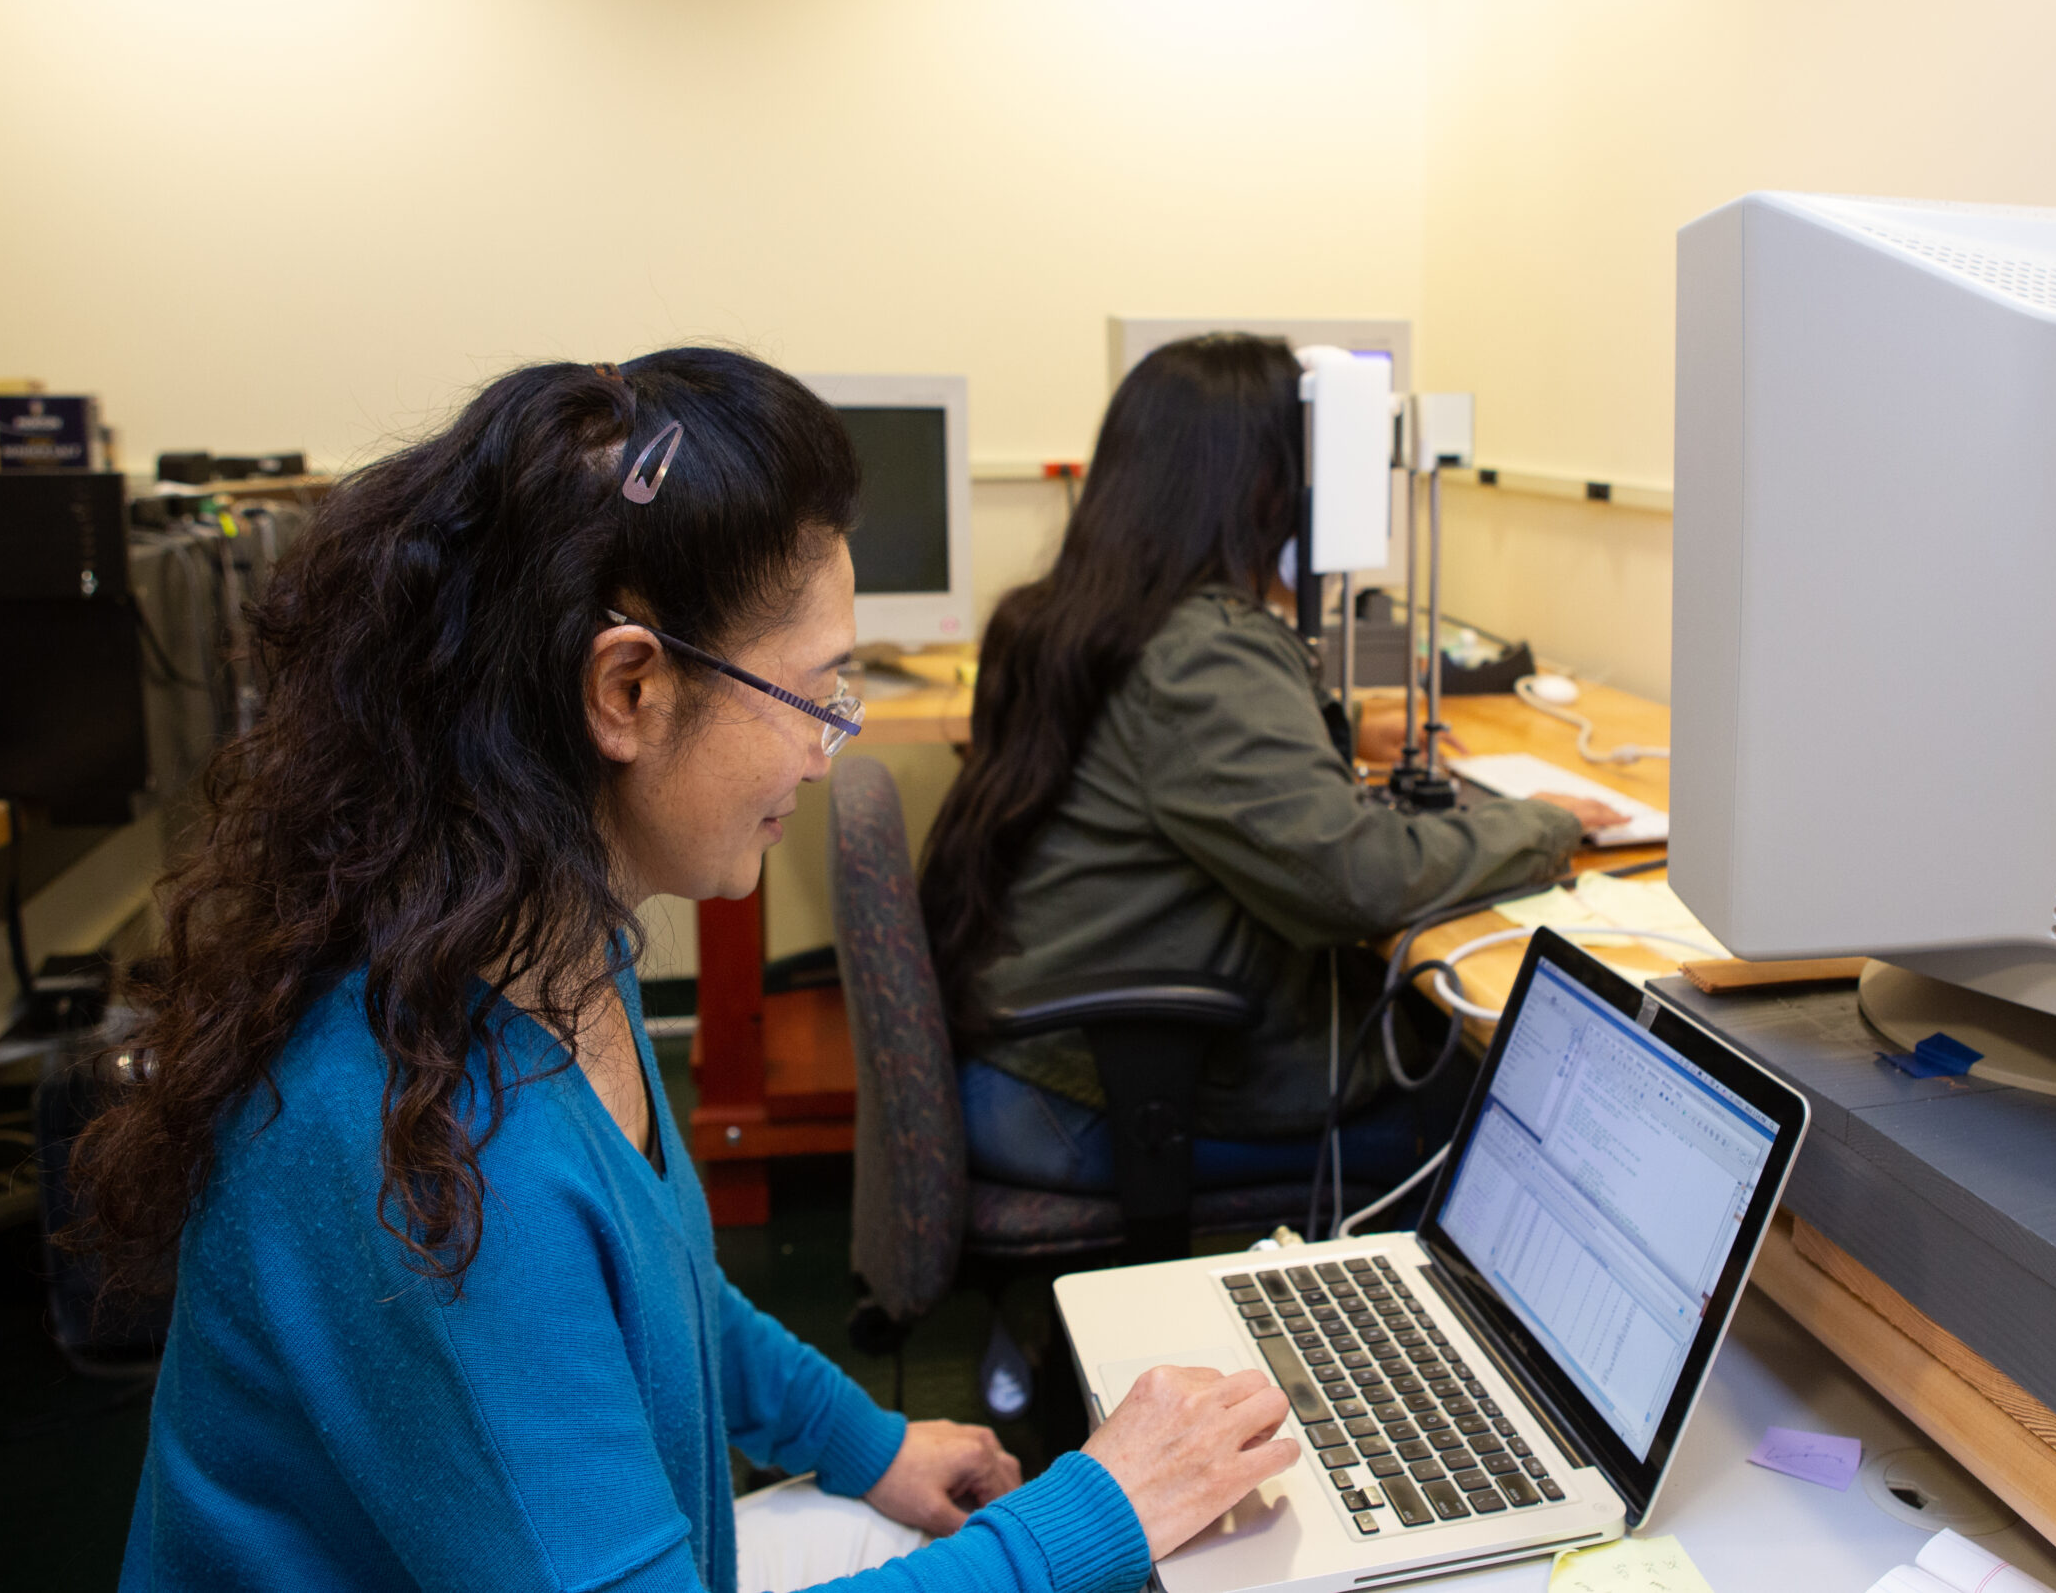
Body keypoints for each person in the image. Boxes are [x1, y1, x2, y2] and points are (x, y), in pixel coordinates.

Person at [71, 350, 1296, 1593]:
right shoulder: (438, 1146)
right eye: (817, 691)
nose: (829, 751)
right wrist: (1098, 1512)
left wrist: (861, 1441)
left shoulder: (538, 943)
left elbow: (663, 1301)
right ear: (630, 689)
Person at [918, 334, 1619, 1200]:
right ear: (1265, 486)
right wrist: (1547, 822)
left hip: (1028, 1064)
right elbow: (1355, 877)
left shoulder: (1075, 614)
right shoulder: (1208, 651)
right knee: (1498, 1117)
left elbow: (1159, 741)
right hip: (1104, 1100)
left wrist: (1341, 723)